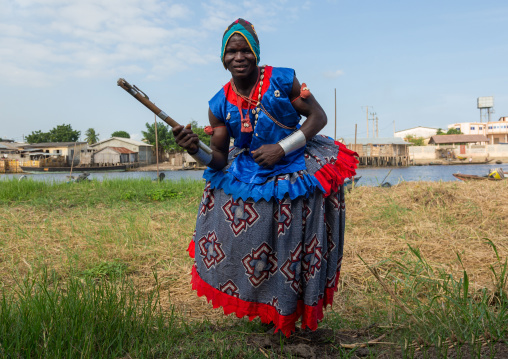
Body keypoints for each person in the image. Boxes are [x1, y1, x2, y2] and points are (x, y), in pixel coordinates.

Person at [173, 18, 358, 336]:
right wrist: (195, 150)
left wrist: (281, 149)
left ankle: (292, 315)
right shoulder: (219, 104)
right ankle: (267, 309)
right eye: (232, 52)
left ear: (256, 52)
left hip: (296, 169)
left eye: (245, 50)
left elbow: (319, 116)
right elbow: (217, 160)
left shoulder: (283, 80)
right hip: (251, 173)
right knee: (257, 246)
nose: (239, 57)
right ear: (223, 58)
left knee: (295, 248)